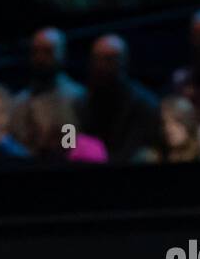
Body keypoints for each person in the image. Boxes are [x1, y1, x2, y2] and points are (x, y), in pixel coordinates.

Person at [81, 34, 162, 164]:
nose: (101, 66)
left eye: (109, 60)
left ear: (124, 61)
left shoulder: (143, 103)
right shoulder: (87, 99)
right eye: (97, 59)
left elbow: (134, 150)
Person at [10, 28, 87, 152]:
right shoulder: (19, 102)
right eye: (36, 51)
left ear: (61, 53)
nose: (41, 58)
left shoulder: (76, 97)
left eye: (48, 51)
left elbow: (72, 144)